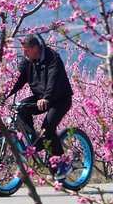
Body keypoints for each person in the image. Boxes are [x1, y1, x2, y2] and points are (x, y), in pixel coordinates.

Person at [6, 34, 73, 180]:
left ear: (36, 48)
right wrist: (2, 94)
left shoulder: (52, 57)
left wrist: (46, 97)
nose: (23, 53)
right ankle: (36, 142)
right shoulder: (27, 61)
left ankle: (63, 163)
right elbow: (17, 81)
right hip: (40, 98)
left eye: (26, 50)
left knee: (47, 129)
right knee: (21, 108)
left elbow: (54, 80)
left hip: (60, 99)